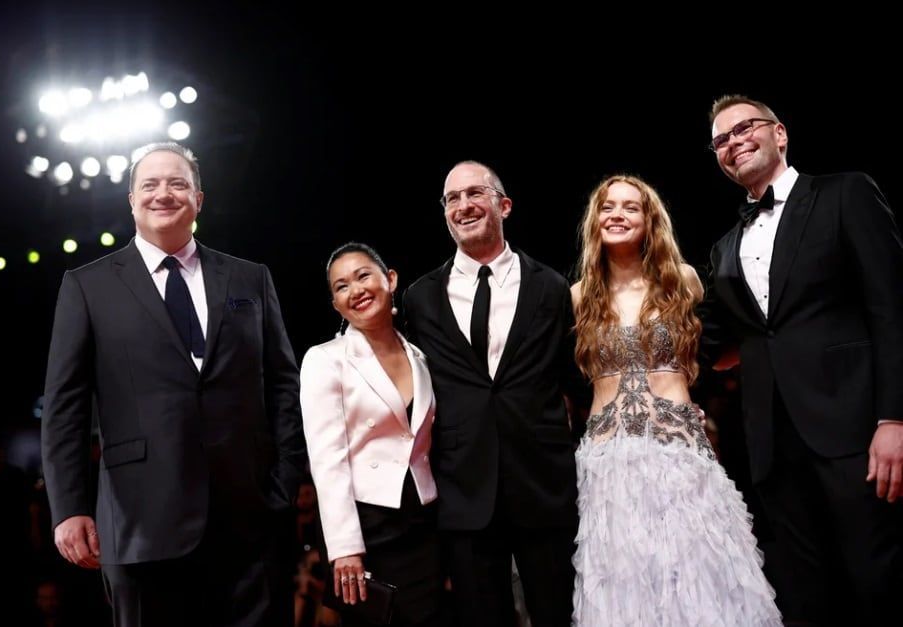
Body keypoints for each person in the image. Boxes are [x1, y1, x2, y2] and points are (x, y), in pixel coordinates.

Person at [41, 141, 306, 627]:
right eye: (150, 184)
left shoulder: (251, 278)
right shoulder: (87, 285)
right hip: (137, 520)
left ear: (199, 199)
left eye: (178, 183)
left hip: (248, 518)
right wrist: (69, 507)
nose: (163, 193)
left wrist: (285, 478)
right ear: (131, 199)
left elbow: (285, 386)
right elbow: (65, 406)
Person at [701, 94, 903, 624]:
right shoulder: (724, 248)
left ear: (780, 134)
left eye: (744, 128)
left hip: (855, 431)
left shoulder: (845, 193)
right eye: (721, 139)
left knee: (876, 577)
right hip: (771, 447)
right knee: (804, 593)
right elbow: (709, 346)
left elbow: (890, 309)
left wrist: (894, 418)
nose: (734, 142)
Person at [569, 174, 781, 625]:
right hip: (608, 461)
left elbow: (728, 343)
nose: (618, 215)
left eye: (631, 206)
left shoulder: (681, 280)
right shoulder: (578, 296)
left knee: (697, 574)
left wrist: (694, 397)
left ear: (650, 220)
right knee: (625, 579)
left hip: (678, 451)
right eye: (608, 207)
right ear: (595, 221)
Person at [402, 161, 589, 627]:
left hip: (543, 487)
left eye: (474, 194)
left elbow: (575, 380)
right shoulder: (419, 299)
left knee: (557, 615)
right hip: (463, 493)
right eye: (452, 199)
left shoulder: (552, 287)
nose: (463, 206)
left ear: (503, 205)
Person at [300, 243, 440, 627]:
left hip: (424, 520)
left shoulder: (422, 357)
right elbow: (327, 460)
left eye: (363, 276)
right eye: (341, 286)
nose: (355, 290)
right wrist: (345, 549)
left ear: (390, 279)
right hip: (365, 526)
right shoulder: (325, 359)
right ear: (335, 304)